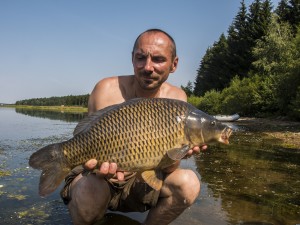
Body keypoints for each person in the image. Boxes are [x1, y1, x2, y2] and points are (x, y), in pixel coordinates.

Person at [61, 28, 206, 225]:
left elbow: (169, 168)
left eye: (158, 59)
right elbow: (86, 143)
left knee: (188, 184)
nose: (148, 67)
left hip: (141, 179)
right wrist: (95, 168)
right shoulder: (105, 89)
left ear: (174, 64)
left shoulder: (177, 99)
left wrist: (180, 153)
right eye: (141, 58)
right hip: (98, 178)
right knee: (89, 191)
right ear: (132, 59)